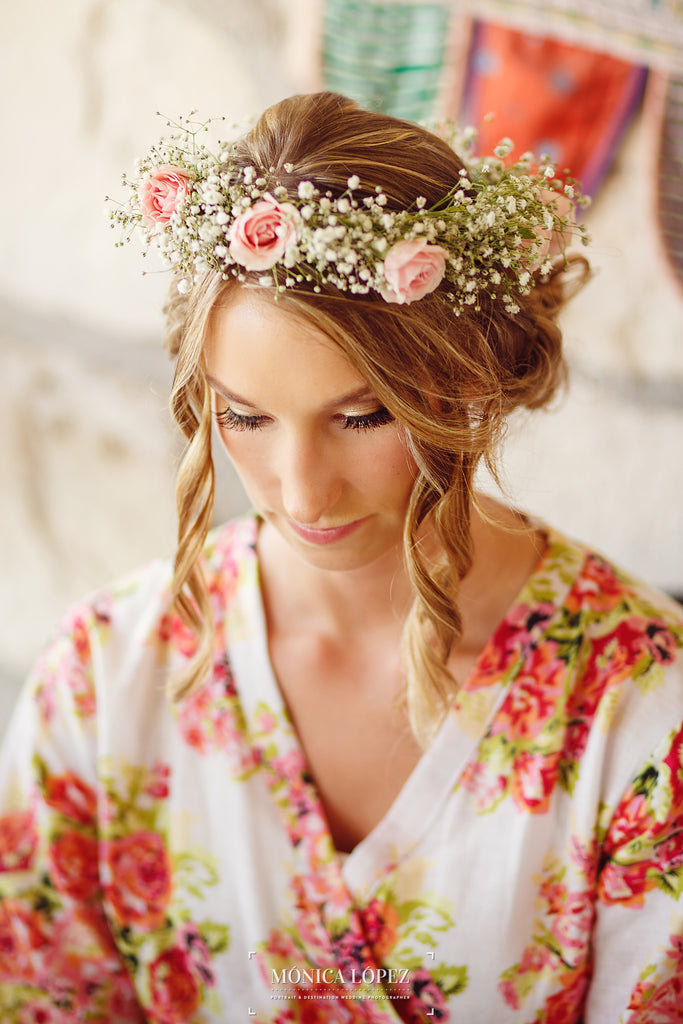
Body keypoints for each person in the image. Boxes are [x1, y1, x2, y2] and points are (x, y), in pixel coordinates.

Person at [1, 91, 682, 1024]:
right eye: (244, 417)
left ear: (465, 380)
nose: (299, 490)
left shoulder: (638, 705)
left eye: (360, 417)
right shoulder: (105, 677)